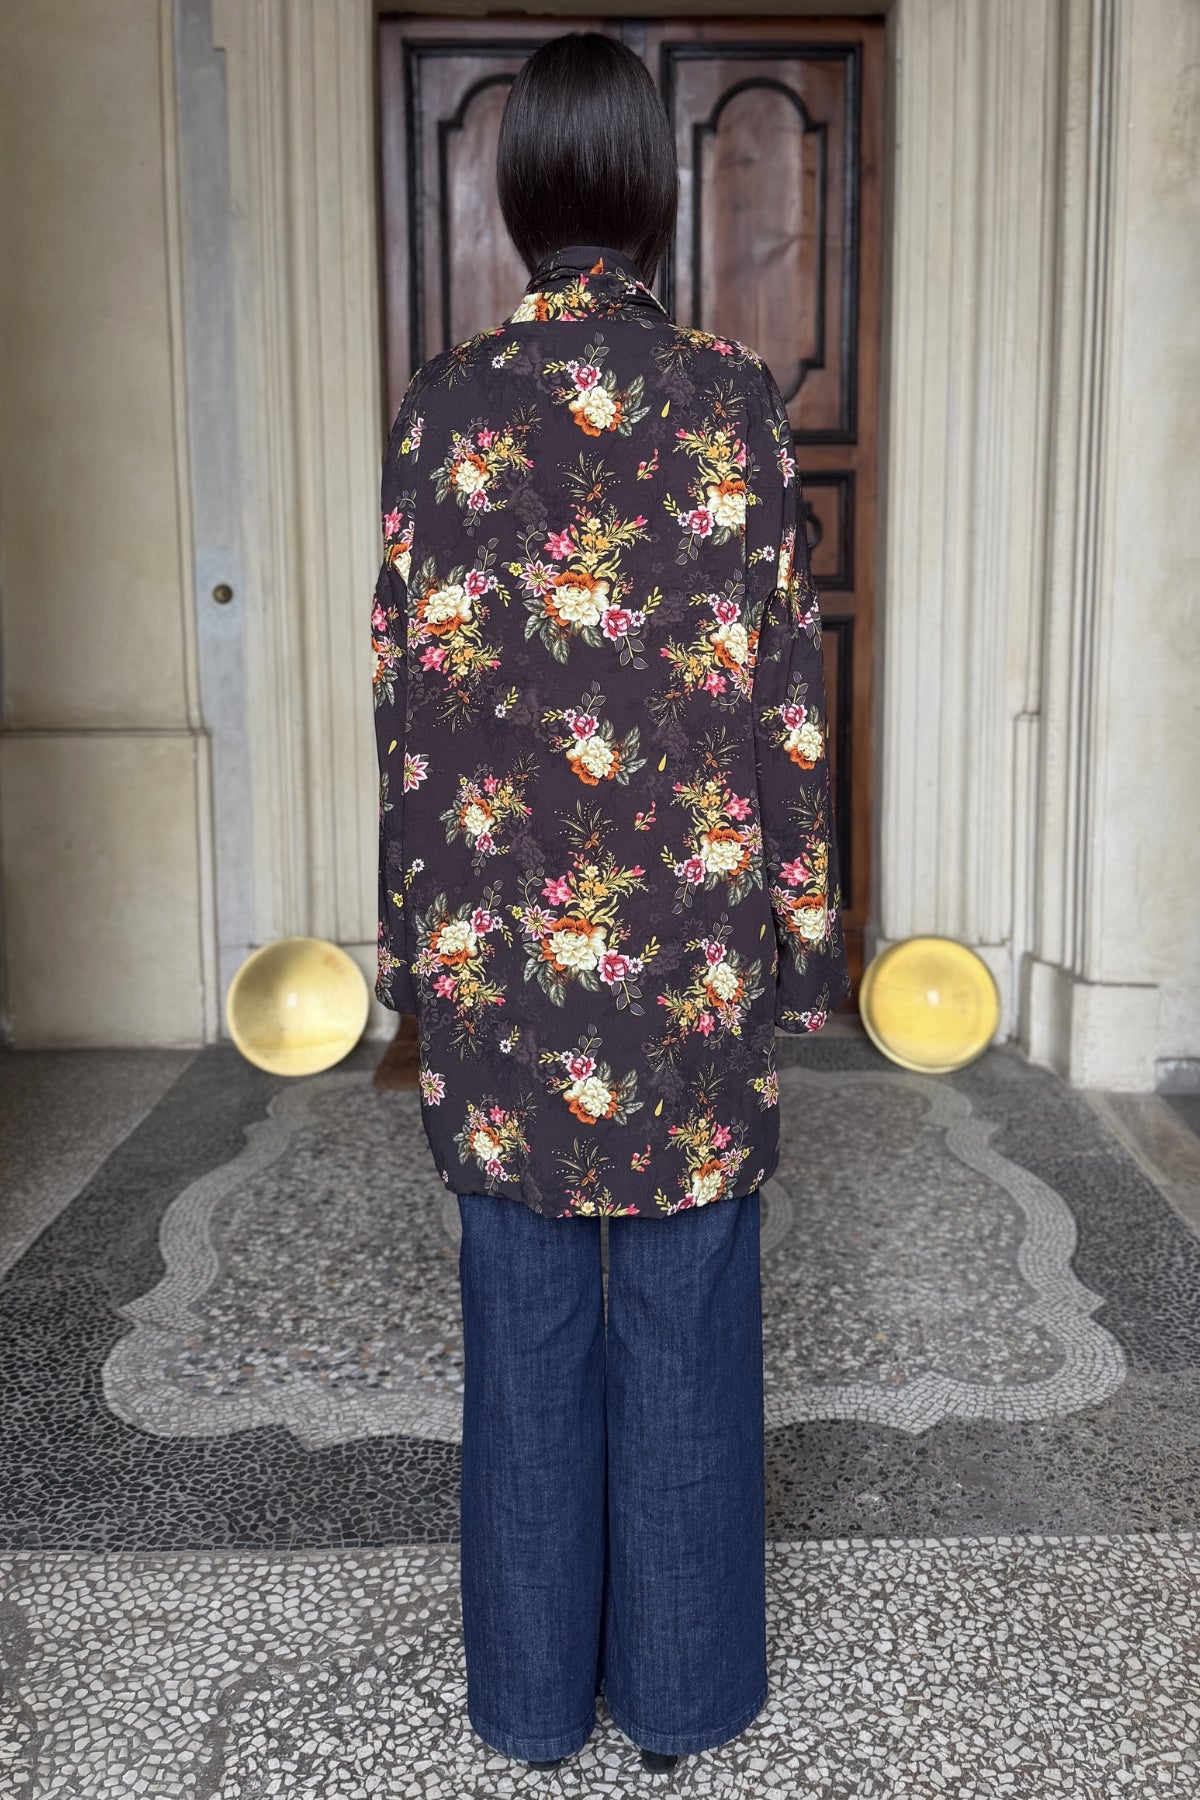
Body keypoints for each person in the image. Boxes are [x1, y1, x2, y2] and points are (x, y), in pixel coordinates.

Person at [371, 29, 851, 1776]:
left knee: (520, 1316)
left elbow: (407, 700)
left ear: (520, 198)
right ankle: (683, 1695)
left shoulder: (444, 403)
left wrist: (414, 947)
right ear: (655, 191)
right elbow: (787, 699)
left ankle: (527, 1707)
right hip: (687, 960)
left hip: (501, 958)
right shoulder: (731, 397)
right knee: (686, 1310)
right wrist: (804, 943)